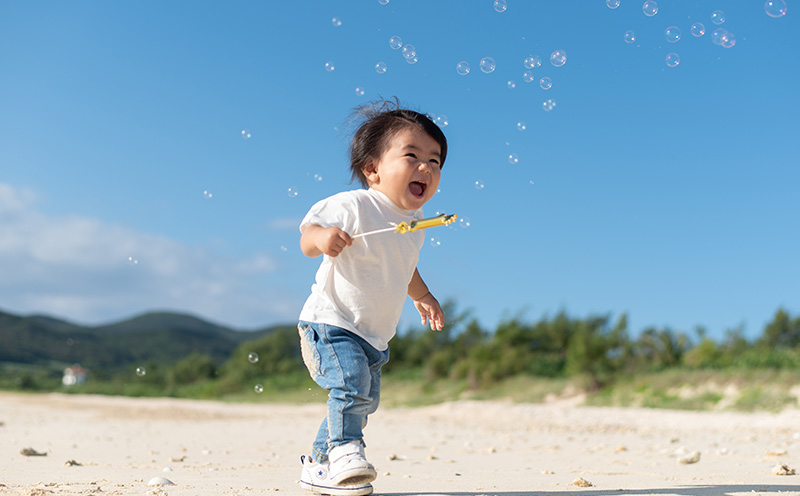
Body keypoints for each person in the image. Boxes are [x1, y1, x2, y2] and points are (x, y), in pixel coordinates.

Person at [297, 98, 448, 496]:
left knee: (362, 400)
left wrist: (424, 295)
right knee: (351, 386)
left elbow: (404, 265)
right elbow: (307, 234)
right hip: (332, 321)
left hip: (373, 333)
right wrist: (322, 239)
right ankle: (347, 453)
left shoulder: (415, 226)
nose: (426, 168)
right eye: (412, 155)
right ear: (373, 170)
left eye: (435, 161)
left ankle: (319, 464)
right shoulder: (355, 205)